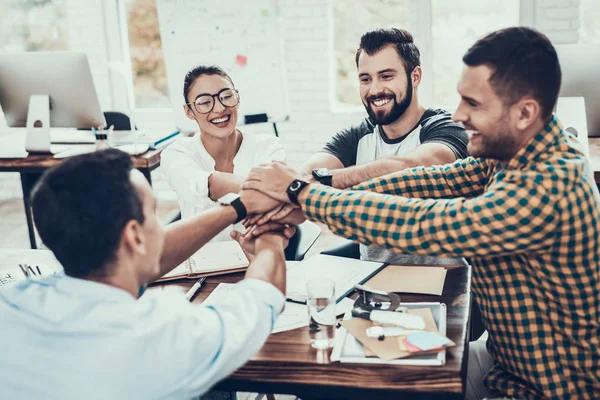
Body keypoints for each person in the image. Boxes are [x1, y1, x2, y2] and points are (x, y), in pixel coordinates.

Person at [241, 27, 600, 399]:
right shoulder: (519, 148)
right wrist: (309, 197)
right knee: (354, 376)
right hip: (504, 360)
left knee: (374, 384)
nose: (459, 115)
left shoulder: (549, 186)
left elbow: (422, 223)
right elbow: (432, 181)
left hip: (545, 388)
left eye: (473, 104)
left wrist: (303, 193)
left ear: (525, 112)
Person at [0, 149, 295, 399]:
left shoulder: (11, 302)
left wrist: (239, 207)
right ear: (134, 236)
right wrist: (269, 236)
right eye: (154, 214)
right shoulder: (165, 335)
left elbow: (140, 254)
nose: (161, 226)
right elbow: (263, 295)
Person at [252, 28, 468, 264]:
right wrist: (275, 210)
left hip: (443, 283)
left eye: (386, 76)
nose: (374, 90)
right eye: (366, 79)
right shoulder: (358, 135)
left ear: (415, 76)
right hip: (373, 280)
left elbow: (415, 165)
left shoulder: (445, 127)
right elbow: (300, 177)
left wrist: (321, 182)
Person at [161, 65, 287, 242]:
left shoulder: (268, 147)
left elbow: (277, 203)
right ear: (189, 112)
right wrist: (267, 188)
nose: (219, 108)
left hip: (256, 256)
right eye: (205, 102)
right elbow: (207, 185)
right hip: (202, 262)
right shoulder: (176, 153)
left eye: (226, 96)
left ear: (237, 98)